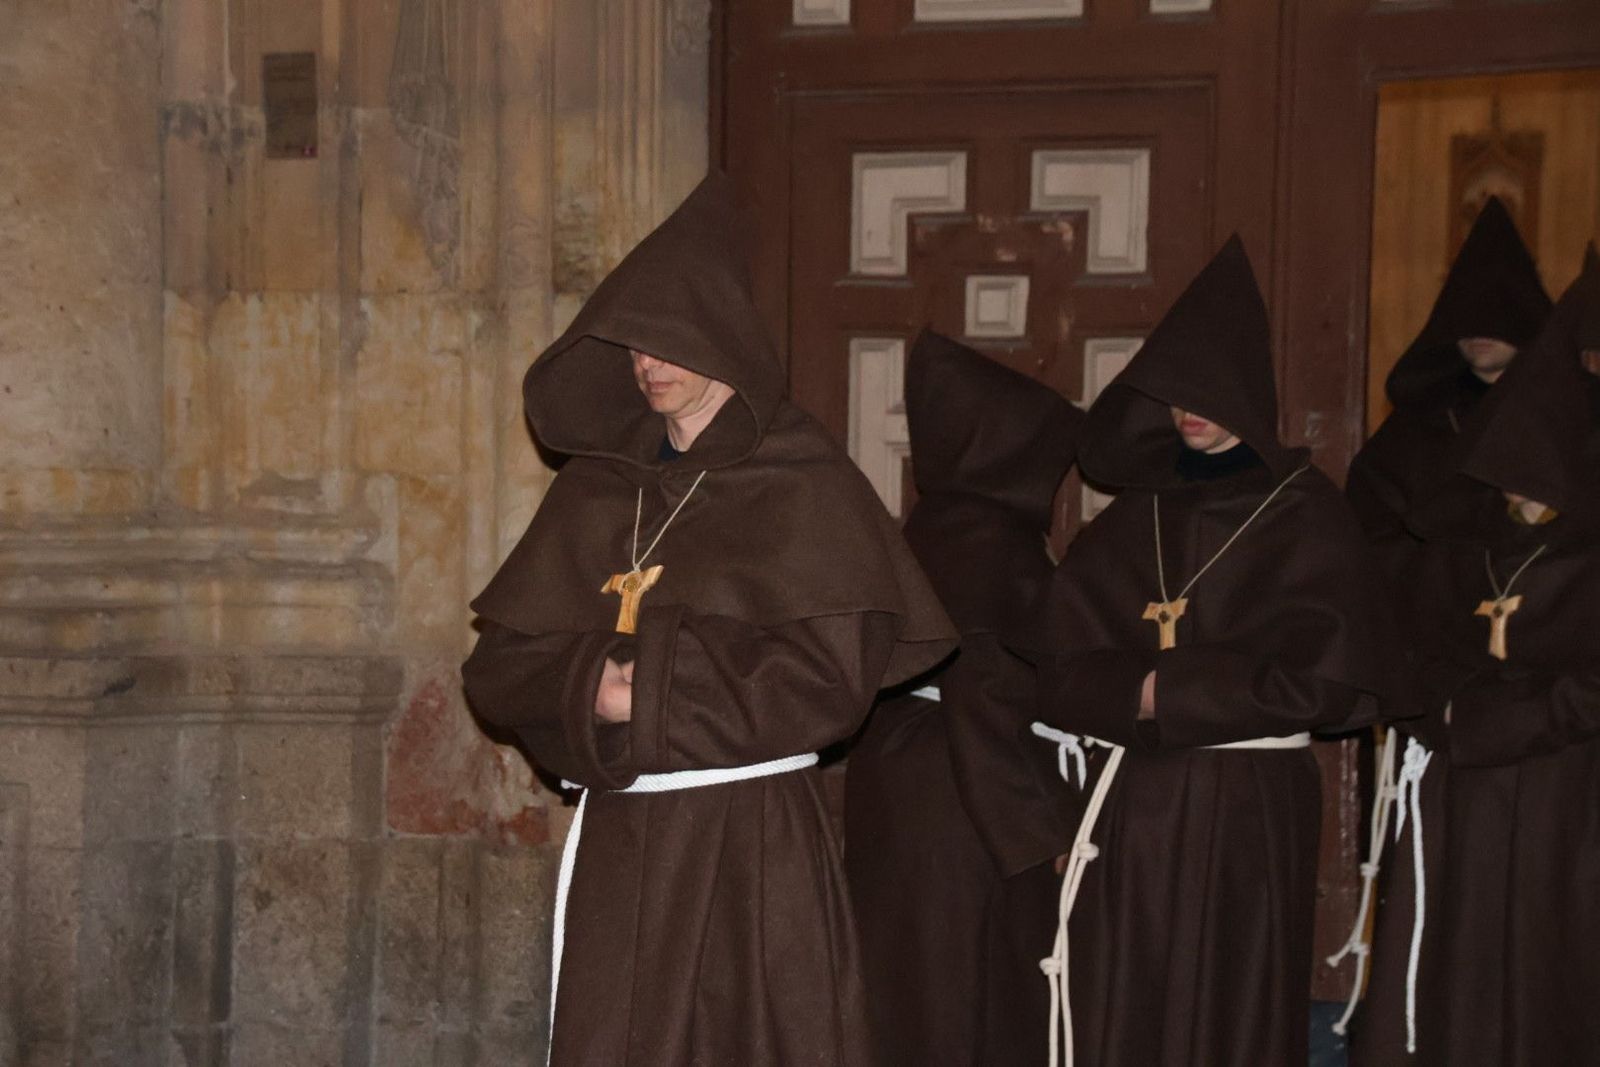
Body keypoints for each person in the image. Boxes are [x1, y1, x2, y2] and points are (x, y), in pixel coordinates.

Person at [461, 174, 955, 1067]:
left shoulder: (805, 481)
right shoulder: (599, 488)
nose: (647, 362)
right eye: (632, 344)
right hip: (621, 843)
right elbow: (497, 667)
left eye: (667, 339)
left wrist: (644, 688)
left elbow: (829, 680)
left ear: (721, 335)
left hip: (750, 844)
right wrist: (590, 687)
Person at [1009, 236, 1399, 1067]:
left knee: (1230, 1004)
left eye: (1209, 389)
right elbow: (1058, 670)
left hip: (1248, 807)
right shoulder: (1131, 518)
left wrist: (1164, 691)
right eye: (1176, 389)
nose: (1191, 406)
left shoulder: (1307, 517)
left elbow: (1326, 683)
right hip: (1135, 811)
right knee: (1130, 997)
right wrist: (1142, 693)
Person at [1350, 255, 1600, 1066]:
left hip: (1566, 795)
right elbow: (1409, 648)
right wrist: (1449, 709)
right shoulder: (1459, 553)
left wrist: (1508, 715)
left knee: (1547, 968)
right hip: (1458, 797)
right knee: (1451, 971)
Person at [844, 329, 1086, 1066]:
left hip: (905, 798)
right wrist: (1038, 834)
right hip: (962, 808)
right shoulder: (990, 544)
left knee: (909, 1000)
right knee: (963, 1004)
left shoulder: (929, 532)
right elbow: (980, 695)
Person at [1347, 196, 1552, 579]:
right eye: (1468, 312)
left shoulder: (1561, 421)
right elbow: (1372, 535)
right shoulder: (1414, 428)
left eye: (1498, 315)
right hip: (1433, 614)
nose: (1480, 329)